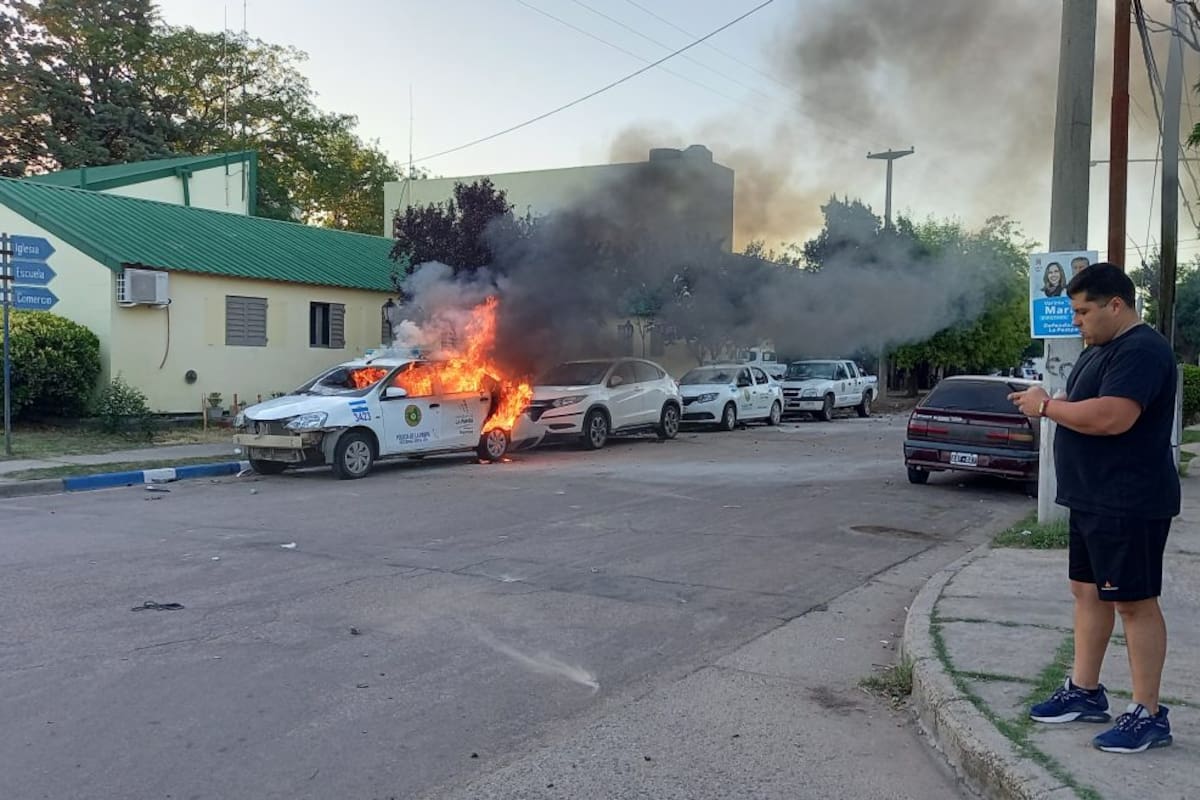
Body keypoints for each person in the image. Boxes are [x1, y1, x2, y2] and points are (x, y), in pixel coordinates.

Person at [1009, 262, 1179, 754]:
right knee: (1087, 592)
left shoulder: (1142, 350)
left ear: (1116, 305)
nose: (1077, 320)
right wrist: (1053, 400)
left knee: (1133, 602)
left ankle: (1148, 714)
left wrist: (1046, 407)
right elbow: (1081, 403)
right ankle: (1085, 691)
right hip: (1091, 497)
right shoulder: (1099, 348)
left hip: (1127, 499)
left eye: (1084, 311)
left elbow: (1112, 417)